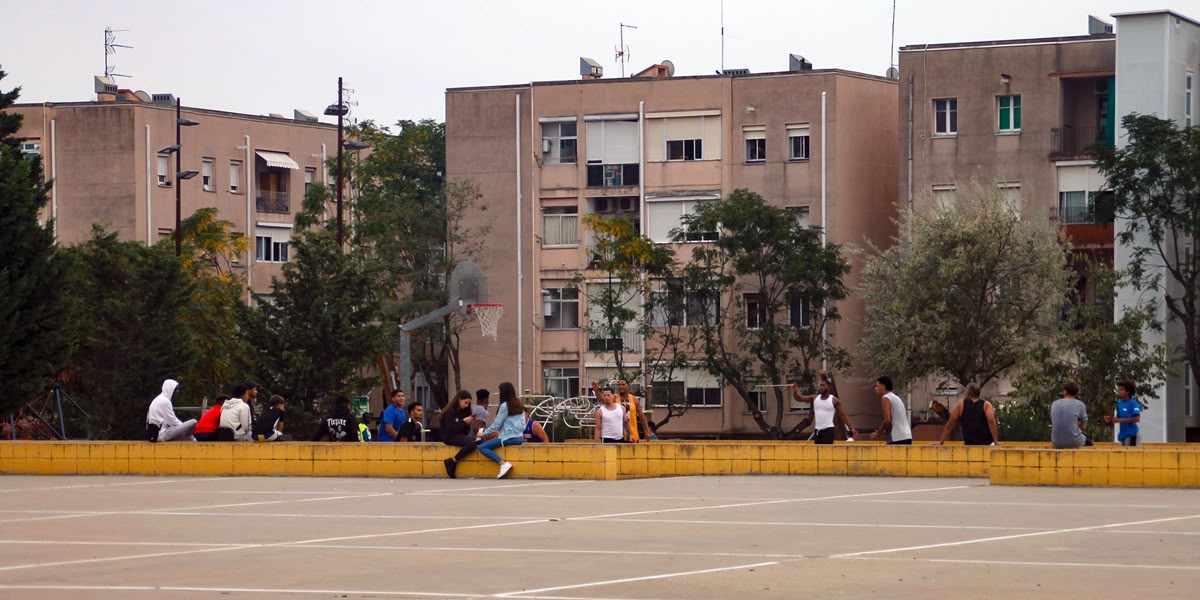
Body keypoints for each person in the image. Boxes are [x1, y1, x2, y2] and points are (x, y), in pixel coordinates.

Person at [478, 382, 526, 479]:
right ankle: (503, 464)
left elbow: (496, 424)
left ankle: (502, 463)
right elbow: (523, 424)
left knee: (482, 447)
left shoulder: (504, 406)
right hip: (519, 437)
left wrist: (483, 433)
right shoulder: (518, 404)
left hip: (508, 437)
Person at [792, 379, 857, 444]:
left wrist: (851, 428)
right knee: (818, 452)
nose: (821, 387)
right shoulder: (815, 398)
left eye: (823, 385)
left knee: (826, 451)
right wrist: (795, 392)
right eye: (820, 385)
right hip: (817, 430)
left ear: (829, 387)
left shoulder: (834, 400)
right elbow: (799, 398)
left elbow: (843, 415)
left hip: (828, 430)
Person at [932, 384, 1000, 446]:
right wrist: (996, 441)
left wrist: (941, 441)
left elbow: (951, 422)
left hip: (970, 444)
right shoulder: (986, 405)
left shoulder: (961, 404)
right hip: (987, 443)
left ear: (968, 393)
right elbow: (991, 421)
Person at [441, 390, 479, 478]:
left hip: (459, 435)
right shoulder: (451, 412)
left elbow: (462, 429)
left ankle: (452, 462)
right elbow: (450, 429)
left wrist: (468, 424)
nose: (466, 405)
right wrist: (463, 422)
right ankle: (453, 461)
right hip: (449, 436)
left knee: (477, 442)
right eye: (465, 403)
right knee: (471, 444)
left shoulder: (464, 411)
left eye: (468, 404)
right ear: (459, 400)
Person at [870, 376, 912, 445]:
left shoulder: (885, 398)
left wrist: (878, 434)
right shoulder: (895, 397)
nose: (875, 388)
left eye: (877, 386)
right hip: (907, 436)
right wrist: (883, 432)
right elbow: (894, 420)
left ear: (883, 386)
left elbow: (887, 420)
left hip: (897, 437)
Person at [1051, 381, 1092, 449]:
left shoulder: (1054, 404)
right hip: (1074, 442)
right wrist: (1078, 424)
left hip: (1056, 442)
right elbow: (1084, 428)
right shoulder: (1080, 405)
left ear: (1065, 391)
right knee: (1088, 441)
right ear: (1076, 393)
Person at [1104, 380, 1141, 447]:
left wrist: (1119, 420)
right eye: (1119, 390)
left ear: (1128, 391)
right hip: (1122, 436)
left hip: (1132, 435)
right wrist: (1111, 419)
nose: (1119, 392)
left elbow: (1137, 418)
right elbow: (1118, 418)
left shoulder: (1133, 403)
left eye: (1121, 390)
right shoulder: (1119, 403)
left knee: (1131, 456)